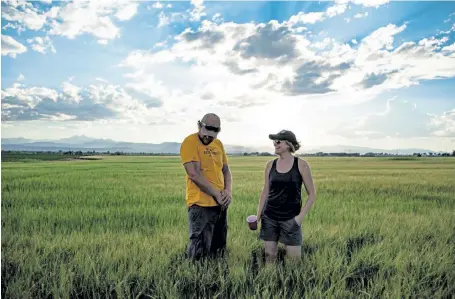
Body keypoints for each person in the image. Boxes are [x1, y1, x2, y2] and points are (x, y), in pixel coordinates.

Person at [256, 130, 316, 263]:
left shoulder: (301, 165)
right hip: (269, 217)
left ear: (288, 144)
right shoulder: (270, 165)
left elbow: (312, 195)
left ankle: (291, 284)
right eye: (274, 142)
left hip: (291, 219)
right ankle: (270, 282)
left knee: (294, 261)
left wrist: (299, 219)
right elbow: (265, 191)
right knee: (269, 256)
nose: (275, 144)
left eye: (278, 141)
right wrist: (258, 216)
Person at [180, 113, 232, 260]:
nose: (208, 138)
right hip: (200, 205)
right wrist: (216, 193)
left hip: (221, 204)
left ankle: (216, 278)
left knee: (219, 249)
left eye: (212, 136)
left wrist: (227, 192)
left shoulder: (218, 144)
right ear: (199, 126)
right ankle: (197, 281)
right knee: (199, 252)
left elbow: (226, 171)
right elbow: (194, 174)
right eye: (206, 135)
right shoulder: (190, 142)